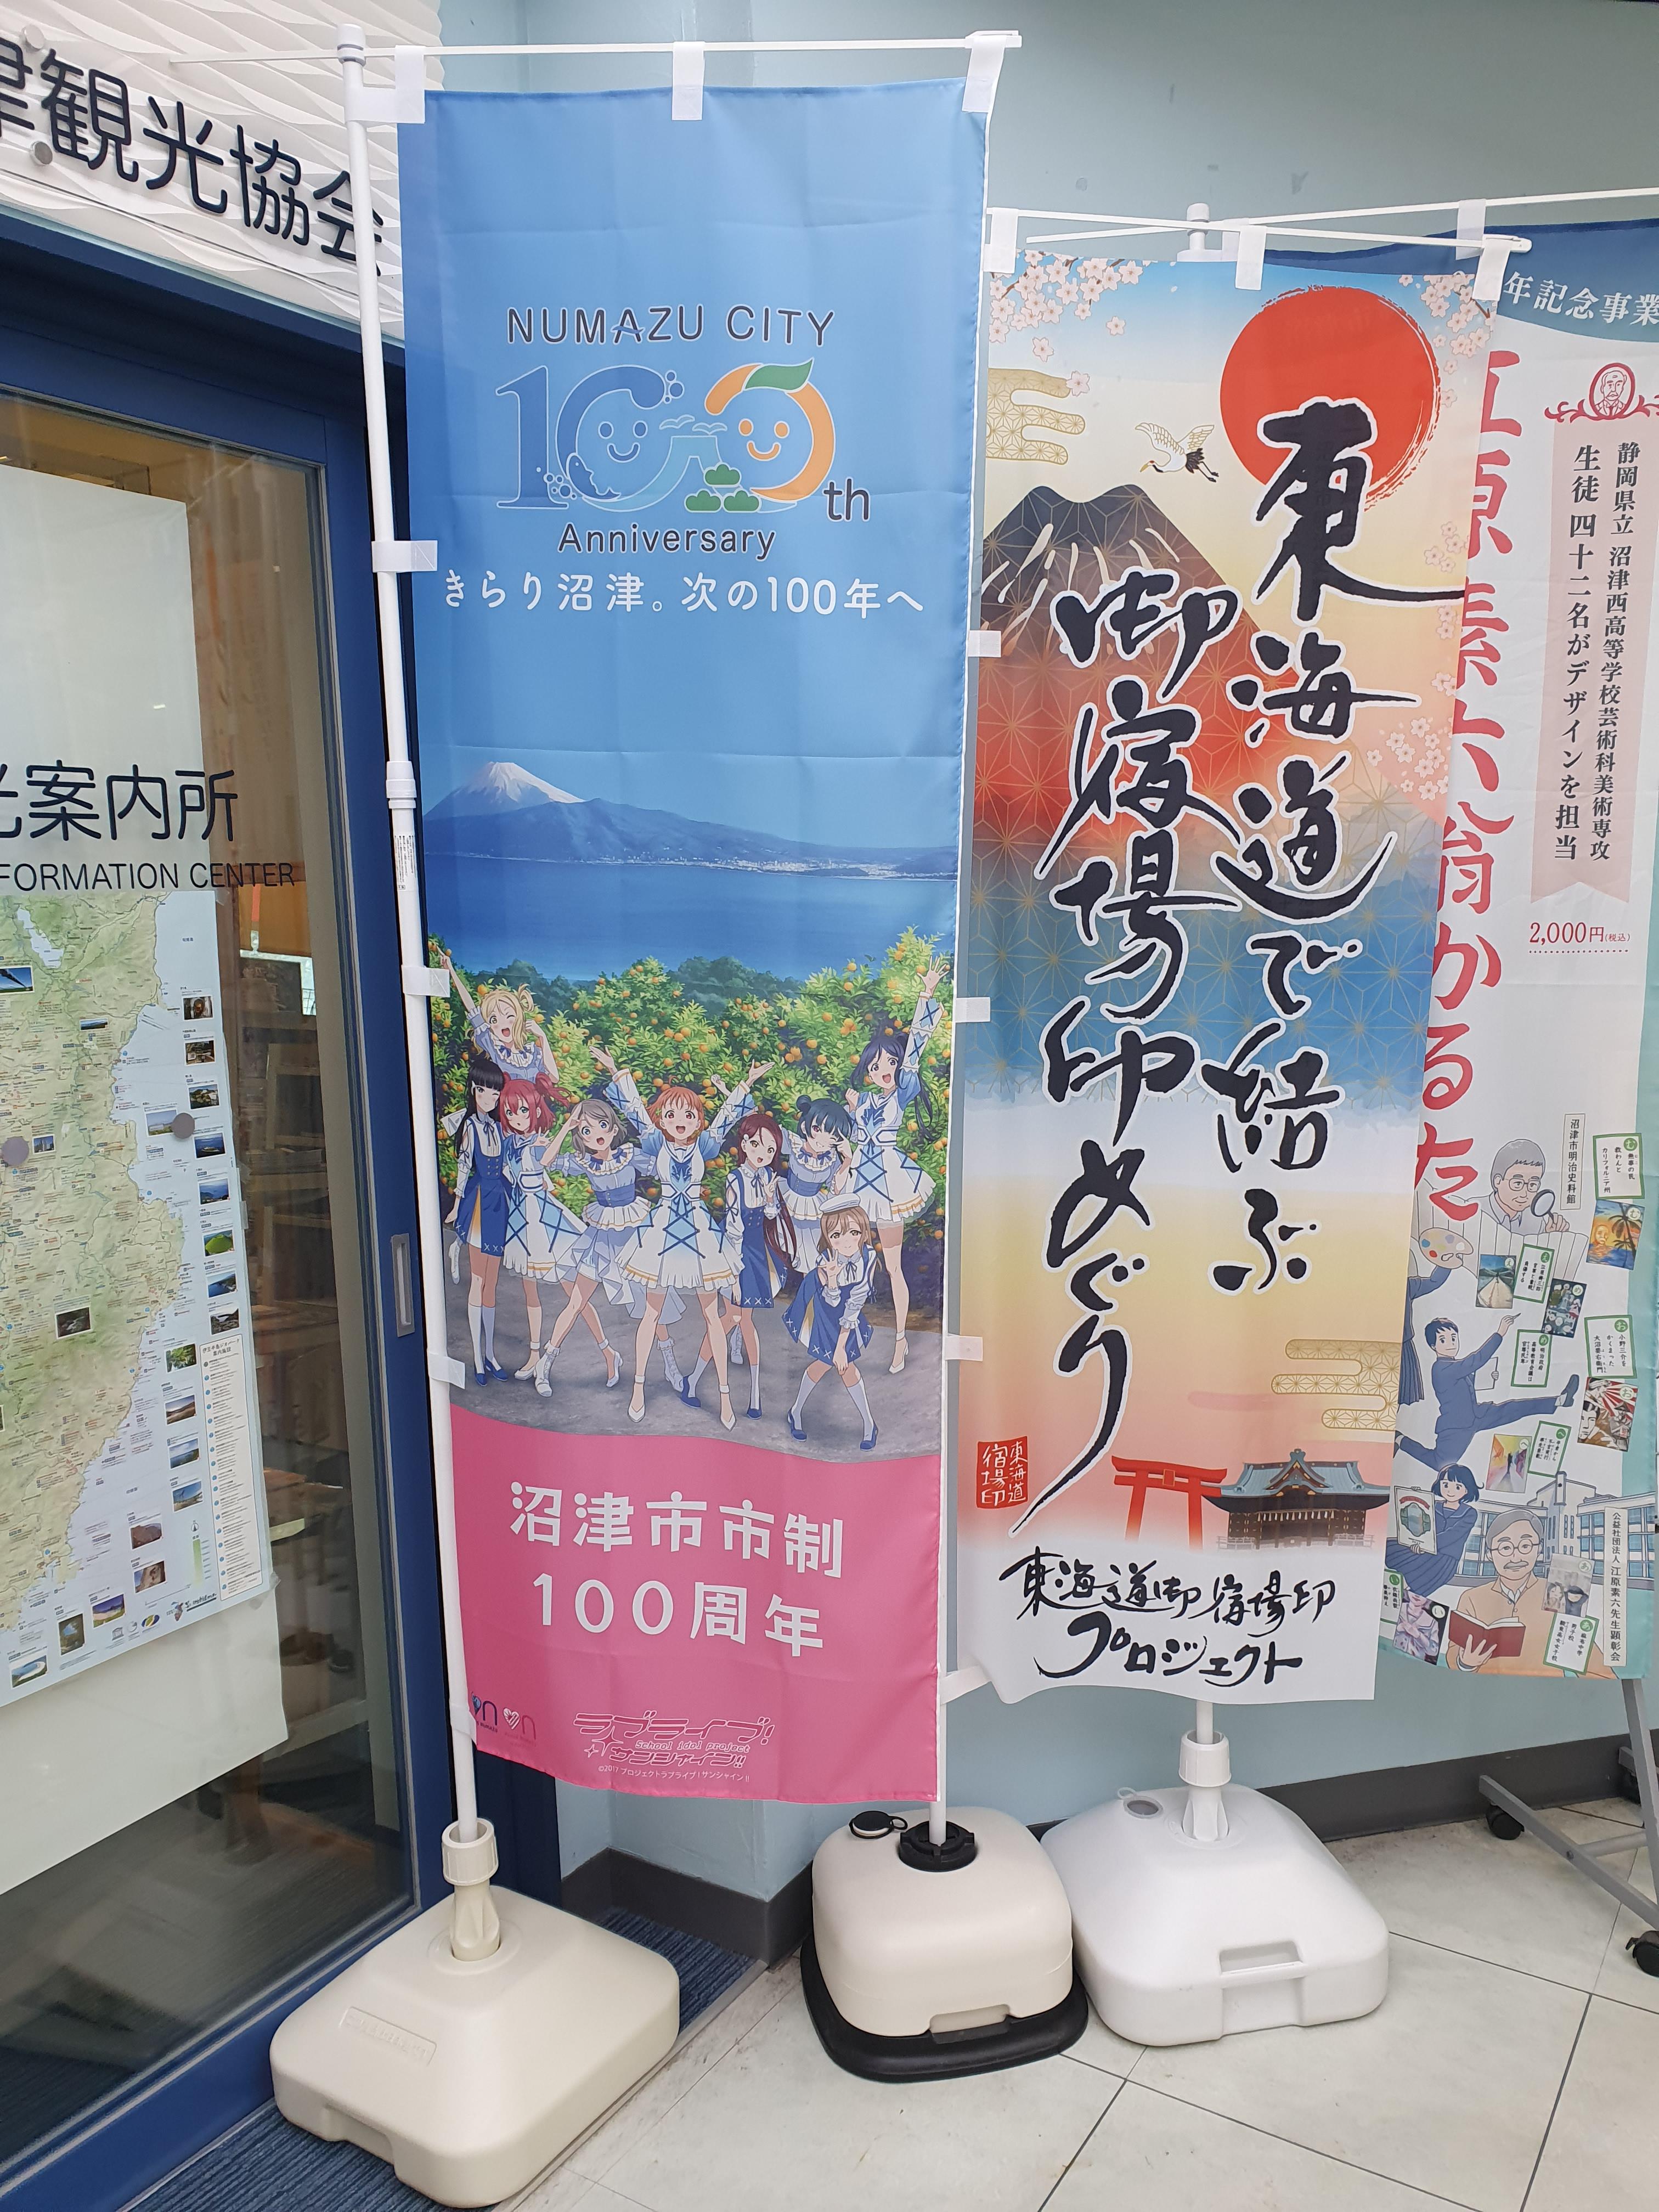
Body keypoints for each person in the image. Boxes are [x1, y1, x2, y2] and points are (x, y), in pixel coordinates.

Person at [597, 1047, 765, 1429]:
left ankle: (725, 1397)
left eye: (689, 1115)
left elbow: (726, 1120)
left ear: (697, 1120)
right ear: (662, 1118)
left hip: (699, 1230)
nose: (680, 1121)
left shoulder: (705, 1145)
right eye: (671, 1114)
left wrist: (745, 1084)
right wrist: (616, 1071)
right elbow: (636, 1113)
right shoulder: (655, 1142)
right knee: (651, 1313)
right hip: (661, 1231)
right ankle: (638, 1389)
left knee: (712, 1315)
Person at [532, 1092, 685, 1396]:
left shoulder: (630, 1155)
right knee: (577, 1301)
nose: (596, 1135)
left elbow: (665, 1169)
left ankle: (671, 1366)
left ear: (614, 1128)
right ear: (581, 1137)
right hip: (602, 1238)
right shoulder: (585, 1162)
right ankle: (545, 1363)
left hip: (636, 1236)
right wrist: (567, 1127)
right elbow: (545, 1161)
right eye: (586, 1131)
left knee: (652, 1307)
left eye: (602, 1126)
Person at [846, 961, 945, 1374]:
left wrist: (926, 996)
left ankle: (901, 1339)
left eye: (889, 1063)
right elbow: (848, 1140)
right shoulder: (863, 1101)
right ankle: (846, 1331)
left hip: (889, 1186)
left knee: (892, 1266)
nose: (883, 1071)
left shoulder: (900, 1093)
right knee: (852, 1260)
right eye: (875, 1067)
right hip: (857, 1185)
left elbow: (915, 1051)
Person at [687, 1109, 796, 1420]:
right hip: (734, 1253)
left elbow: (771, 1216)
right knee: (732, 1317)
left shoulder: (766, 1177)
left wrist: (771, 1198)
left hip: (757, 1251)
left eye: (771, 1149)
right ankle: (696, 1379)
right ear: (745, 1144)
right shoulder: (735, 1179)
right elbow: (734, 1229)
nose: (764, 1153)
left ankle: (752, 1392)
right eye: (757, 1145)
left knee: (743, 1320)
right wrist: (734, 1275)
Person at [498, 1075, 606, 1383]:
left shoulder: (537, 1143)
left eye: (523, 1111)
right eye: (511, 1112)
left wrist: (566, 1128)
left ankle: (606, 1350)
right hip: (521, 1221)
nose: (518, 1118)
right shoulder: (510, 1143)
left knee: (575, 1294)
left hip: (545, 1221)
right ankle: (535, 1355)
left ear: (535, 1110)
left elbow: (545, 1160)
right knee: (530, 1290)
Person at [1395, 1314, 1578, 1474]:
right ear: (1433, 1346)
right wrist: (1500, 1333)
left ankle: (1559, 1401)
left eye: (1453, 1338)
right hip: (1457, 1427)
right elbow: (1475, 1361)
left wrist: (1487, 1376)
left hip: (1478, 1414)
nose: (1451, 1344)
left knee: (1514, 1408)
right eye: (1443, 1340)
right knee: (1440, 1464)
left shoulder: (1453, 1366)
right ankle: (1401, 1440)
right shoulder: (1440, 1369)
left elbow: (1465, 1381)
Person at [1450, 1509, 1612, 1675]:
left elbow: (1589, 1661)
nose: (1515, 1558)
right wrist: (1466, 1663)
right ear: (1490, 1555)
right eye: (1505, 1548)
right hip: (1486, 1686)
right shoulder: (1472, 1598)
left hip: (1546, 1687)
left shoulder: (1557, 1593)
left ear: (1539, 1549)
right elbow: (1453, 1651)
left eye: (1525, 1546)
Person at [785, 1202, 882, 1449]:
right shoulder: (825, 1260)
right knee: (830, 1363)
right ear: (828, 1237)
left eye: (854, 1232)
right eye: (837, 1235)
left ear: (863, 1231)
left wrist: (841, 1347)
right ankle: (797, 1412)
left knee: (841, 1365)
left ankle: (868, 1423)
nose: (846, 1241)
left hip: (849, 1315)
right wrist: (832, 1279)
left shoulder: (869, 1257)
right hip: (826, 1312)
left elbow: (856, 1301)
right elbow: (832, 1301)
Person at [447, 1057, 509, 1383]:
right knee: (479, 1280)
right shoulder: (471, 1127)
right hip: (479, 1204)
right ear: (474, 1090)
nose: (491, 1098)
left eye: (496, 1093)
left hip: (498, 1203)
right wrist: (457, 1204)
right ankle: (477, 1358)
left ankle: (491, 1354)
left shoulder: (498, 1128)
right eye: (486, 1091)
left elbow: (507, 1167)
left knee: (492, 1283)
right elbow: (463, 1166)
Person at [1385, 1464, 1479, 1595]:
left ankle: (1404, 1591)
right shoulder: (1433, 1504)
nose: (1450, 1491)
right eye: (1446, 1485)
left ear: (1467, 1490)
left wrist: (1426, 1546)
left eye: (1458, 1487)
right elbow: (1417, 1523)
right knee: (1390, 1547)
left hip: (1445, 1558)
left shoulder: (1469, 1513)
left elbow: (1453, 1535)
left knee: (1417, 1577)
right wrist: (1416, 1497)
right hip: (1423, 1547)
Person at [1481, 1137, 1569, 1244]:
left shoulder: (1536, 1221)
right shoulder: (1476, 1210)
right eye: (1518, 1184)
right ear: (1498, 1181)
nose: (1525, 1194)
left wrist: (1548, 1237)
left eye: (1532, 1185)